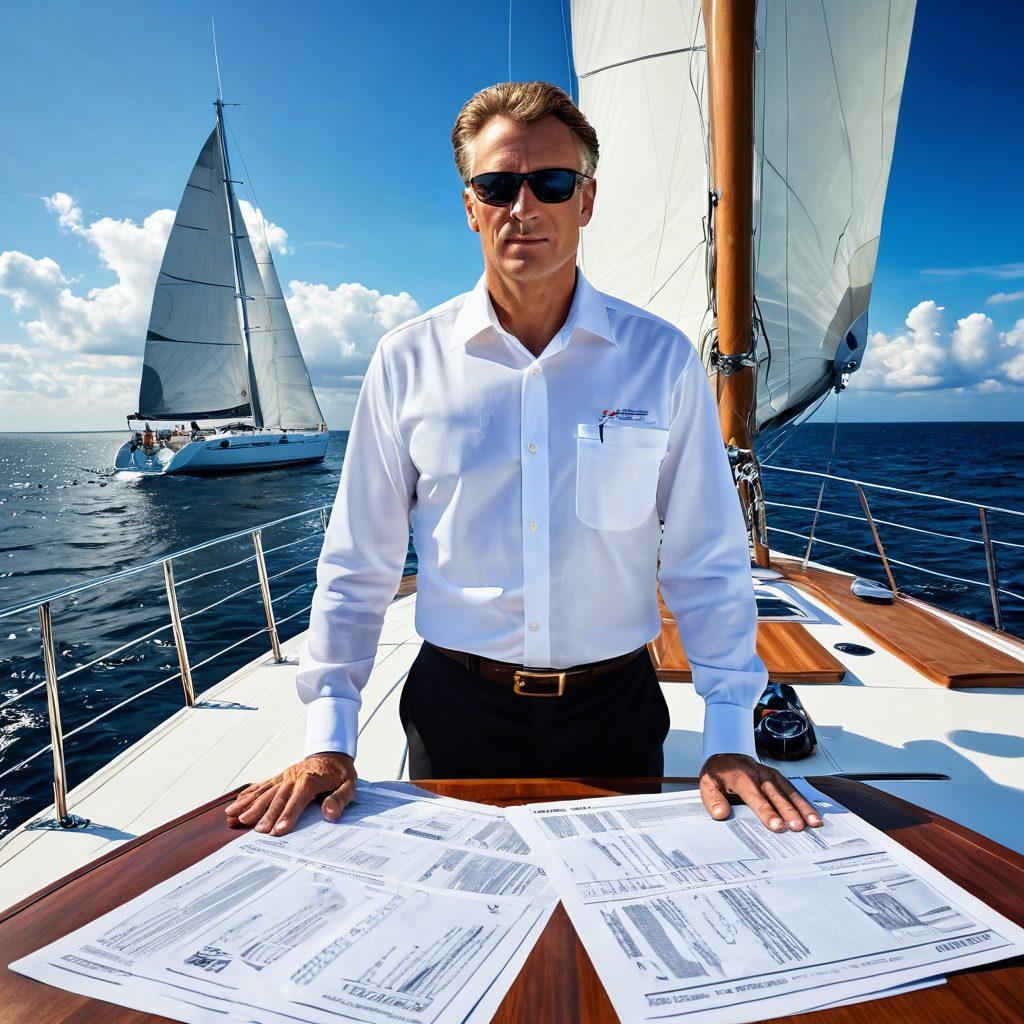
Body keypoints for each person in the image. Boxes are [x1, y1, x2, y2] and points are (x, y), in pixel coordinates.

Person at [226, 81, 821, 838]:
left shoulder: (660, 360)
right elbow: (359, 559)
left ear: (587, 199)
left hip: (617, 713)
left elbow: (705, 555)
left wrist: (730, 739)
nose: (524, 205)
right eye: (498, 184)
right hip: (455, 711)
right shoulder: (407, 361)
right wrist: (328, 742)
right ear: (470, 205)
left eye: (552, 182)